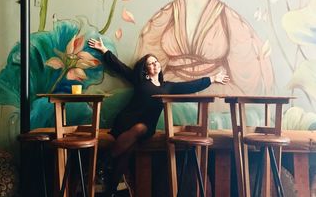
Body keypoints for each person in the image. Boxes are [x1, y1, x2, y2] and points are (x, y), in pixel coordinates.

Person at [136, 0, 274, 109]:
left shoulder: (232, 22)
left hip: (214, 96)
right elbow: (146, 72)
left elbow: (247, 82)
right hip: (171, 94)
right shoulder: (162, 19)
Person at [88, 37, 229, 196]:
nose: (154, 64)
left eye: (156, 62)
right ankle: (111, 190)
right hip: (126, 121)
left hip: (146, 127)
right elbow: (120, 67)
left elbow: (188, 86)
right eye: (150, 63)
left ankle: (104, 161)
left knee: (139, 129)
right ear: (145, 68)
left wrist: (212, 79)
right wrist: (104, 50)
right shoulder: (139, 79)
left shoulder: (167, 87)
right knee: (126, 153)